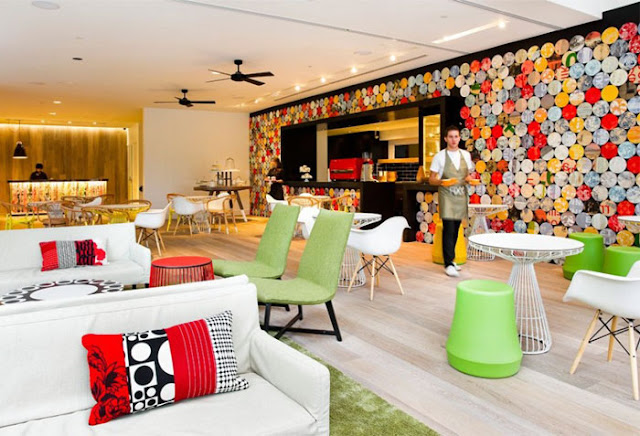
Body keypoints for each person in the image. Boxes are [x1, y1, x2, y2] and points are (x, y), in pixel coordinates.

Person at [429, 125, 474, 277]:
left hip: (461, 195)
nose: (454, 140)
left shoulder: (466, 155)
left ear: (459, 138)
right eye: (451, 137)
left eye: (456, 137)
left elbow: (466, 175)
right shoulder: (439, 157)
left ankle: (451, 259)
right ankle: (448, 264)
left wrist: (470, 179)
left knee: (456, 228)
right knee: (448, 228)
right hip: (447, 196)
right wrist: (442, 182)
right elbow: (431, 179)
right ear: (445, 139)